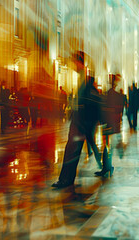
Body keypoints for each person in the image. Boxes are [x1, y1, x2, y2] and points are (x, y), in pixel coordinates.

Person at [52, 52, 102, 189]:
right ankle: (66, 179)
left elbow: (86, 103)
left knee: (71, 152)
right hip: (80, 122)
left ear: (79, 62)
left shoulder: (85, 79)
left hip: (81, 122)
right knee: (72, 152)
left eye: (74, 61)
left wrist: (83, 123)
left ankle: (65, 180)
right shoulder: (82, 78)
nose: (72, 65)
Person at [96, 74, 126, 177]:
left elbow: (104, 108)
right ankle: (107, 167)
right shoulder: (117, 95)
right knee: (108, 145)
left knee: (108, 146)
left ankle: (107, 167)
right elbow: (119, 109)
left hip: (109, 122)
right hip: (113, 122)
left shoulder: (109, 94)